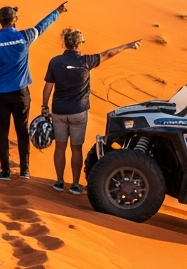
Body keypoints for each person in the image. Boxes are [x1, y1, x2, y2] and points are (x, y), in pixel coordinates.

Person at [0, 2, 67, 180]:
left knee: (2, 131)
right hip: (21, 93)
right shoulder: (25, 36)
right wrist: (57, 11)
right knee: (22, 130)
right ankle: (25, 170)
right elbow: (43, 26)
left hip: (0, 93)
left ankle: (5, 171)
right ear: (14, 20)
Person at [42, 28, 140, 193]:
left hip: (58, 111)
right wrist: (128, 46)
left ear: (65, 43)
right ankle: (74, 184)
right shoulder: (86, 61)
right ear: (79, 44)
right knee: (76, 148)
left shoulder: (55, 62)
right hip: (78, 112)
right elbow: (108, 54)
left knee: (60, 147)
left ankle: (59, 182)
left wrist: (44, 106)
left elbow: (48, 86)